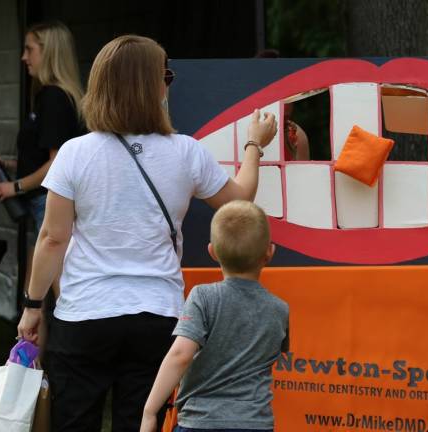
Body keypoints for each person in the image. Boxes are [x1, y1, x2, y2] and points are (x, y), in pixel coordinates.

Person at [16, 34, 278, 431]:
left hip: (85, 312)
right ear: (150, 86)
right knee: (140, 419)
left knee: (73, 421)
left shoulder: (74, 152)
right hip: (158, 313)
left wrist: (33, 305)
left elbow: (54, 239)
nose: (168, 83)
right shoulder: (185, 151)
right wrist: (254, 146)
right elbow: (238, 201)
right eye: (165, 75)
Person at [140, 200, 289, 432]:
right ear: (269, 253)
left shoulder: (203, 297)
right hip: (256, 424)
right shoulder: (280, 309)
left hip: (200, 423)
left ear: (212, 251)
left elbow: (180, 355)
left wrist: (150, 412)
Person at [0, 20, 84, 299]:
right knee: (34, 295)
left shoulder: (55, 97)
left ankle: (67, 342)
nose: (24, 57)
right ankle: (30, 344)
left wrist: (14, 187)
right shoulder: (49, 97)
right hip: (41, 204)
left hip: (48, 205)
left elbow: (57, 164)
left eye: (29, 49)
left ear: (48, 51)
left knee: (61, 293)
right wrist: (8, 166)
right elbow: (43, 157)